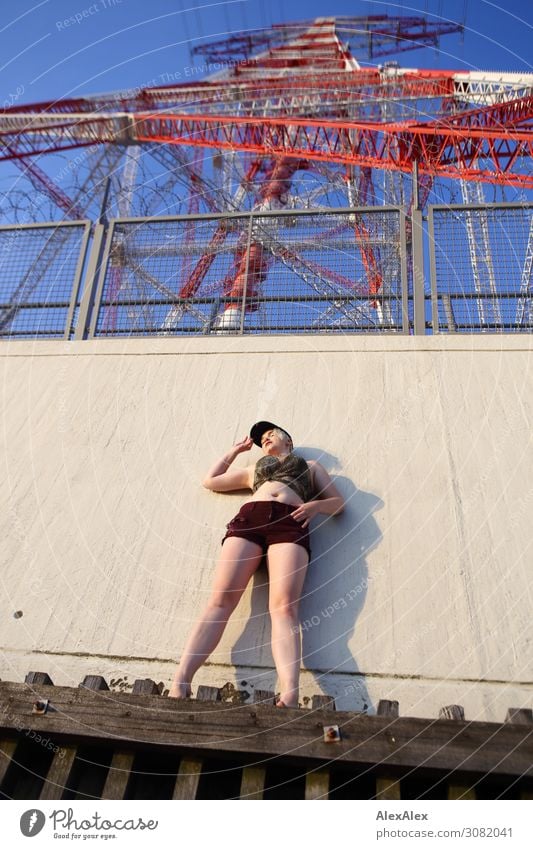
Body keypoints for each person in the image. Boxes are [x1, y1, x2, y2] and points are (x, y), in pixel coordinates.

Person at [169, 421, 344, 707]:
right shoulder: (255, 470)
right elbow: (211, 480)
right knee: (221, 600)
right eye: (262, 438)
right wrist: (235, 451)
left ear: (288, 440)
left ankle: (289, 691)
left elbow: (338, 503)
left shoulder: (311, 466)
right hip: (251, 518)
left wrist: (316, 506)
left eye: (271, 433)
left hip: (291, 520)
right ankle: (181, 680)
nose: (266, 438)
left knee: (284, 606)